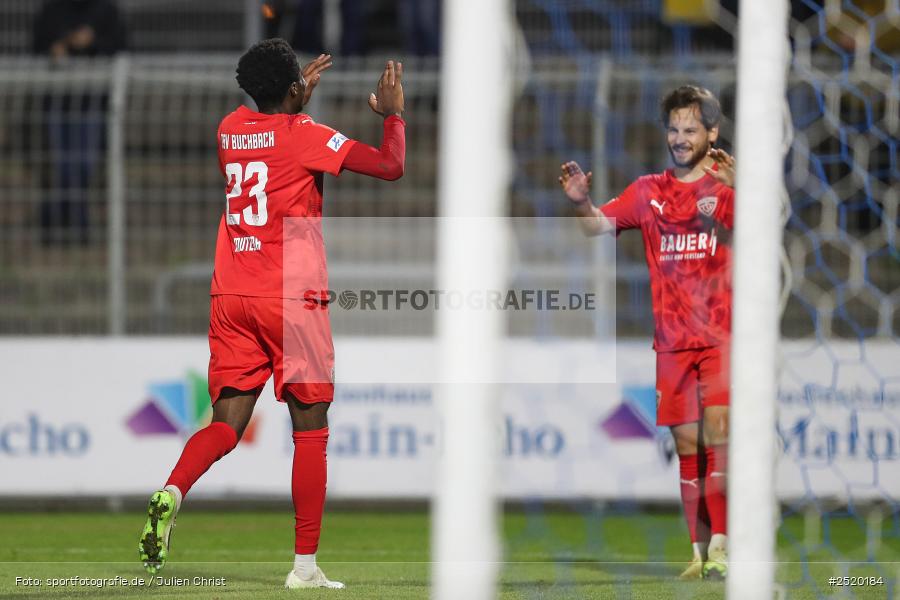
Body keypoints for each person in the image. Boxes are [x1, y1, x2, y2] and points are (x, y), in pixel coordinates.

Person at [138, 38, 406, 590]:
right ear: (292, 90)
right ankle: (304, 568)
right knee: (311, 429)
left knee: (225, 424)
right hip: (290, 297)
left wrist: (291, 99)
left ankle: (171, 491)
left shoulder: (229, 130)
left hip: (231, 294)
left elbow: (268, 134)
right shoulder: (304, 134)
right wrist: (393, 115)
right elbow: (390, 166)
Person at [559, 85, 735, 580]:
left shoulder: (724, 187)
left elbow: (763, 229)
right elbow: (596, 227)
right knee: (685, 446)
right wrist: (580, 202)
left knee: (718, 433)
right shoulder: (647, 191)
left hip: (721, 336)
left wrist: (744, 186)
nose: (680, 139)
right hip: (672, 343)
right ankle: (698, 555)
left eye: (691, 130)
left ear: (712, 133)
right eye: (674, 129)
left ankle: (722, 544)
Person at [32, 0, 127, 245]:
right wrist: (57, 48)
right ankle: (65, 226)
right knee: (62, 166)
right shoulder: (52, 10)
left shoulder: (105, 10)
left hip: (90, 102)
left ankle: (74, 225)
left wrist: (91, 42)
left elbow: (120, 47)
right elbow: (37, 45)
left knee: (83, 166)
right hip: (57, 101)